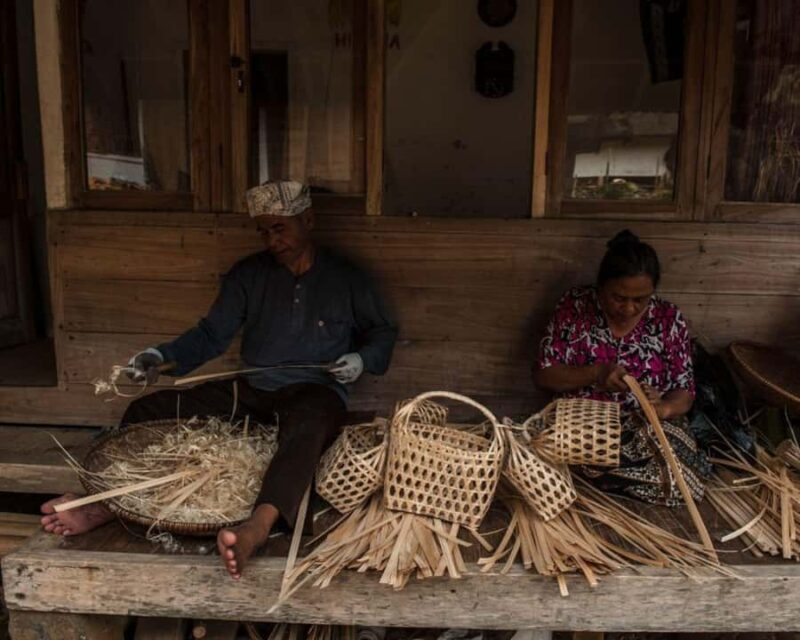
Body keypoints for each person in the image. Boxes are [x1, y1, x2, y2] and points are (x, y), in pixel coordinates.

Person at [40, 180, 398, 578]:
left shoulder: (346, 278)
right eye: (263, 231)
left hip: (314, 392)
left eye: (280, 228)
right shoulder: (249, 275)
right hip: (252, 391)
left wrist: (361, 360)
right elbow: (211, 335)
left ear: (308, 220)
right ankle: (108, 502)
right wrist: (160, 357)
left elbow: (382, 331)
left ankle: (256, 528)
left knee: (310, 427)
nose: (271, 240)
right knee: (149, 408)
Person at [532, 229, 709, 505]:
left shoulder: (668, 319)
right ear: (600, 286)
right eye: (618, 297)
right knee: (555, 450)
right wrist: (595, 373)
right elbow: (544, 373)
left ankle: (595, 480)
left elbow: (684, 389)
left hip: (643, 429)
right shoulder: (575, 306)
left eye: (640, 300)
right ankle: (606, 477)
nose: (628, 308)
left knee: (683, 479)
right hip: (583, 425)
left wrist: (663, 408)